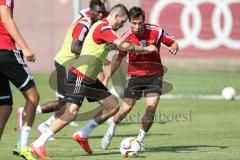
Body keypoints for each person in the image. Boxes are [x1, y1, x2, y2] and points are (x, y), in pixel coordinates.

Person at [30, 4, 157, 159]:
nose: (122, 25)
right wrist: (144, 49)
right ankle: (38, 144)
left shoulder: (103, 28)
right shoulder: (104, 28)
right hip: (80, 76)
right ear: (116, 17)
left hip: (90, 79)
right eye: (122, 21)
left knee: (112, 105)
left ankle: (82, 134)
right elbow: (122, 45)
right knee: (70, 113)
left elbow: (107, 46)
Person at [17, 0, 106, 132]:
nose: (101, 15)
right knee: (66, 103)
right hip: (65, 63)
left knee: (67, 103)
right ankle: (33, 115)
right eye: (98, 12)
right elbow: (75, 48)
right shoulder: (85, 22)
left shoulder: (89, 22)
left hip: (70, 64)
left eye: (102, 13)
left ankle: (45, 124)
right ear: (91, 11)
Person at [101, 7, 178, 150]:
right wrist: (106, 78)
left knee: (151, 109)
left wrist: (174, 46)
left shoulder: (156, 31)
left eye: (140, 23)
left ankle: (139, 141)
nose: (137, 26)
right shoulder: (126, 37)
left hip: (154, 76)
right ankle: (112, 126)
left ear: (144, 21)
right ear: (129, 22)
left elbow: (172, 42)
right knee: (126, 109)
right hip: (135, 77)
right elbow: (117, 60)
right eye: (134, 23)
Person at [0, 0, 40, 159]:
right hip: (5, 52)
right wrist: (24, 46)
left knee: (4, 106)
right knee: (33, 97)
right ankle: (22, 146)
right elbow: (5, 17)